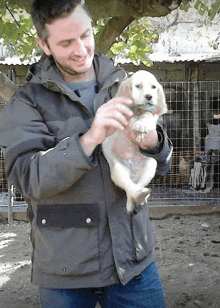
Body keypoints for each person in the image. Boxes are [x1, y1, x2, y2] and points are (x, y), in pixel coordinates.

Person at [0, 0, 173, 307]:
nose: (81, 50)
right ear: (43, 44)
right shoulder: (26, 102)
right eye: (66, 42)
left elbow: (161, 167)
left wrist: (153, 144)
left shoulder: (126, 83)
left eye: (86, 35)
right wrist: (90, 137)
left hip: (134, 262)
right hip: (65, 270)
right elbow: (28, 179)